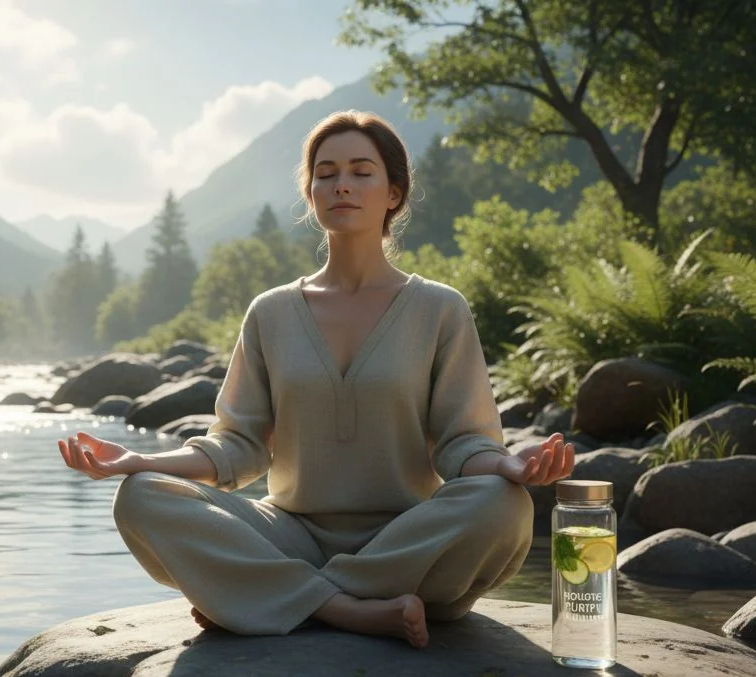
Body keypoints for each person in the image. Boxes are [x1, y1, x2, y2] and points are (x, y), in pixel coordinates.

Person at [57, 110, 574, 649]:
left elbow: (462, 443)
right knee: (140, 497)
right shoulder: (271, 313)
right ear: (311, 194)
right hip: (289, 535)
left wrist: (512, 464)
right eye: (325, 173)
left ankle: (271, 598)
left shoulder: (440, 310)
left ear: (393, 193)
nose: (341, 184)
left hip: (408, 538)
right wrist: (139, 461)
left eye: (360, 170)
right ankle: (343, 607)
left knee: (505, 504)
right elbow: (238, 446)